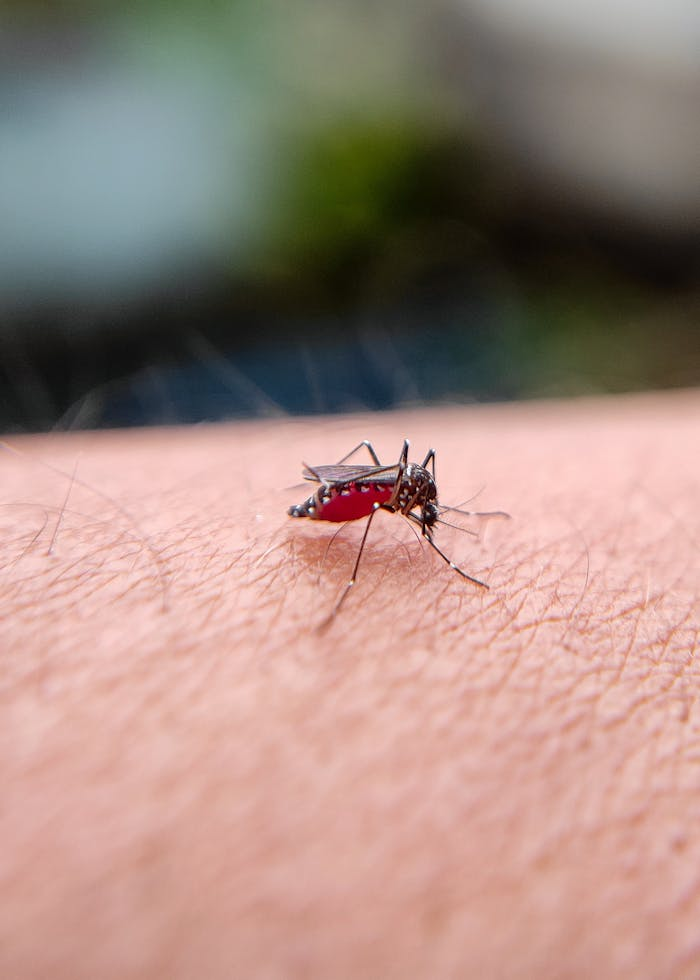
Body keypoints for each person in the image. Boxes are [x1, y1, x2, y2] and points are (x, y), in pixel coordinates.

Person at [2, 389, 699, 977]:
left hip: (367, 491)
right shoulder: (392, 497)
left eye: (426, 509)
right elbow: (391, 497)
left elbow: (414, 493)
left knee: (386, 479)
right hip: (347, 501)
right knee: (374, 498)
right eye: (429, 512)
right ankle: (347, 566)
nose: (427, 517)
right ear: (419, 503)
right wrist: (374, 517)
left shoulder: (416, 494)